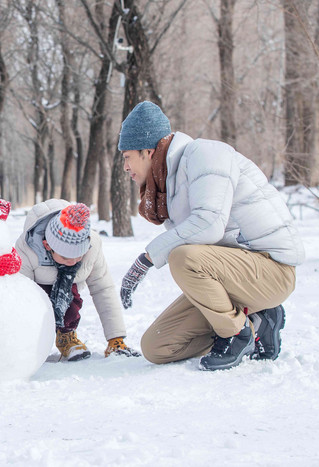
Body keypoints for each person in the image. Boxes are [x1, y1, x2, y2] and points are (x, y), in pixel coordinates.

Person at [117, 101, 305, 371]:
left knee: (183, 257)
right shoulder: (169, 186)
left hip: (271, 270)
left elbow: (210, 223)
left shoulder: (205, 154)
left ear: (147, 151)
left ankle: (235, 333)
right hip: (234, 278)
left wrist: (146, 259)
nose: (125, 167)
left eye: (126, 156)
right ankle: (257, 323)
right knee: (157, 347)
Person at [15, 201, 140, 361]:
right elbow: (21, 297)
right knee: (38, 306)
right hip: (35, 290)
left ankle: (66, 336)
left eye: (78, 256)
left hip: (68, 288)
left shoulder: (92, 245)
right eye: (65, 257)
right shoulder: (27, 248)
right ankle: (32, 343)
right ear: (47, 245)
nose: (73, 262)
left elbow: (103, 289)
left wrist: (116, 338)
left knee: (72, 301)